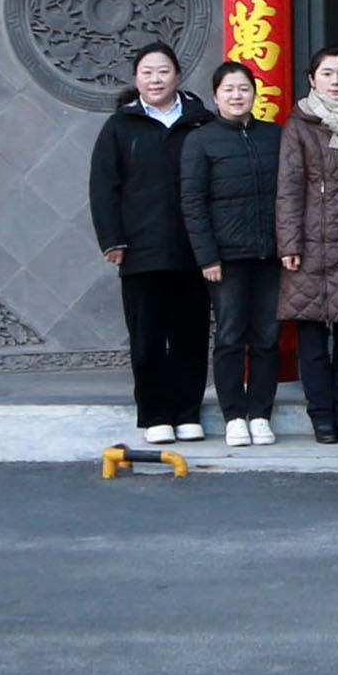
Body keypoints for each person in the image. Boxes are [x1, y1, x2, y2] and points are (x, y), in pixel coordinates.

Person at [87, 42, 214, 443]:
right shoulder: (120, 126)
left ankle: (187, 412)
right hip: (140, 249)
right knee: (147, 337)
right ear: (136, 78)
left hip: (193, 249)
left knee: (191, 334)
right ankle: (155, 415)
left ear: (177, 75)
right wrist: (112, 239)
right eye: (147, 72)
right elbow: (103, 188)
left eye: (163, 71)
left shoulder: (201, 122)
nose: (155, 79)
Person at [178, 61, 287, 449]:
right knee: (229, 336)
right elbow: (192, 202)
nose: (237, 95)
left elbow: (289, 194)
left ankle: (260, 414)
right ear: (215, 96)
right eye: (229, 89)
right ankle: (234, 416)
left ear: (255, 93)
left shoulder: (274, 135)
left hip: (270, 254)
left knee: (267, 336)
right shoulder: (201, 140)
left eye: (244, 88)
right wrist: (207, 257)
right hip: (225, 258)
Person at [278, 47, 338, 445]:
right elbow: (288, 187)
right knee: (313, 344)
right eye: (327, 73)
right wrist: (289, 242)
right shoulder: (299, 124)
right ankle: (321, 416)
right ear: (312, 79)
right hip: (309, 245)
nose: (335, 81)